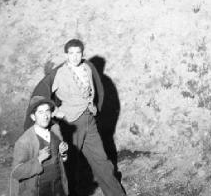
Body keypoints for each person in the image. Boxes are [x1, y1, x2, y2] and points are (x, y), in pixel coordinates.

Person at [32, 39, 125, 196]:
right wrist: (56, 112)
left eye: (78, 53)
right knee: (69, 164)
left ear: (82, 54)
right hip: (72, 124)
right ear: (66, 55)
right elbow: (41, 95)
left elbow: (94, 92)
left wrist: (93, 107)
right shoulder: (61, 74)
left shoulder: (87, 69)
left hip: (89, 120)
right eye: (71, 53)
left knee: (102, 161)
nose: (75, 57)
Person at [10, 96, 69, 196]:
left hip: (58, 187)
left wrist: (63, 154)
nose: (45, 116)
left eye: (47, 111)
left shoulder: (55, 130)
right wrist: (39, 160)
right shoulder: (24, 141)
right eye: (40, 112)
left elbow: (60, 161)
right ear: (33, 117)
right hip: (38, 190)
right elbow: (16, 172)